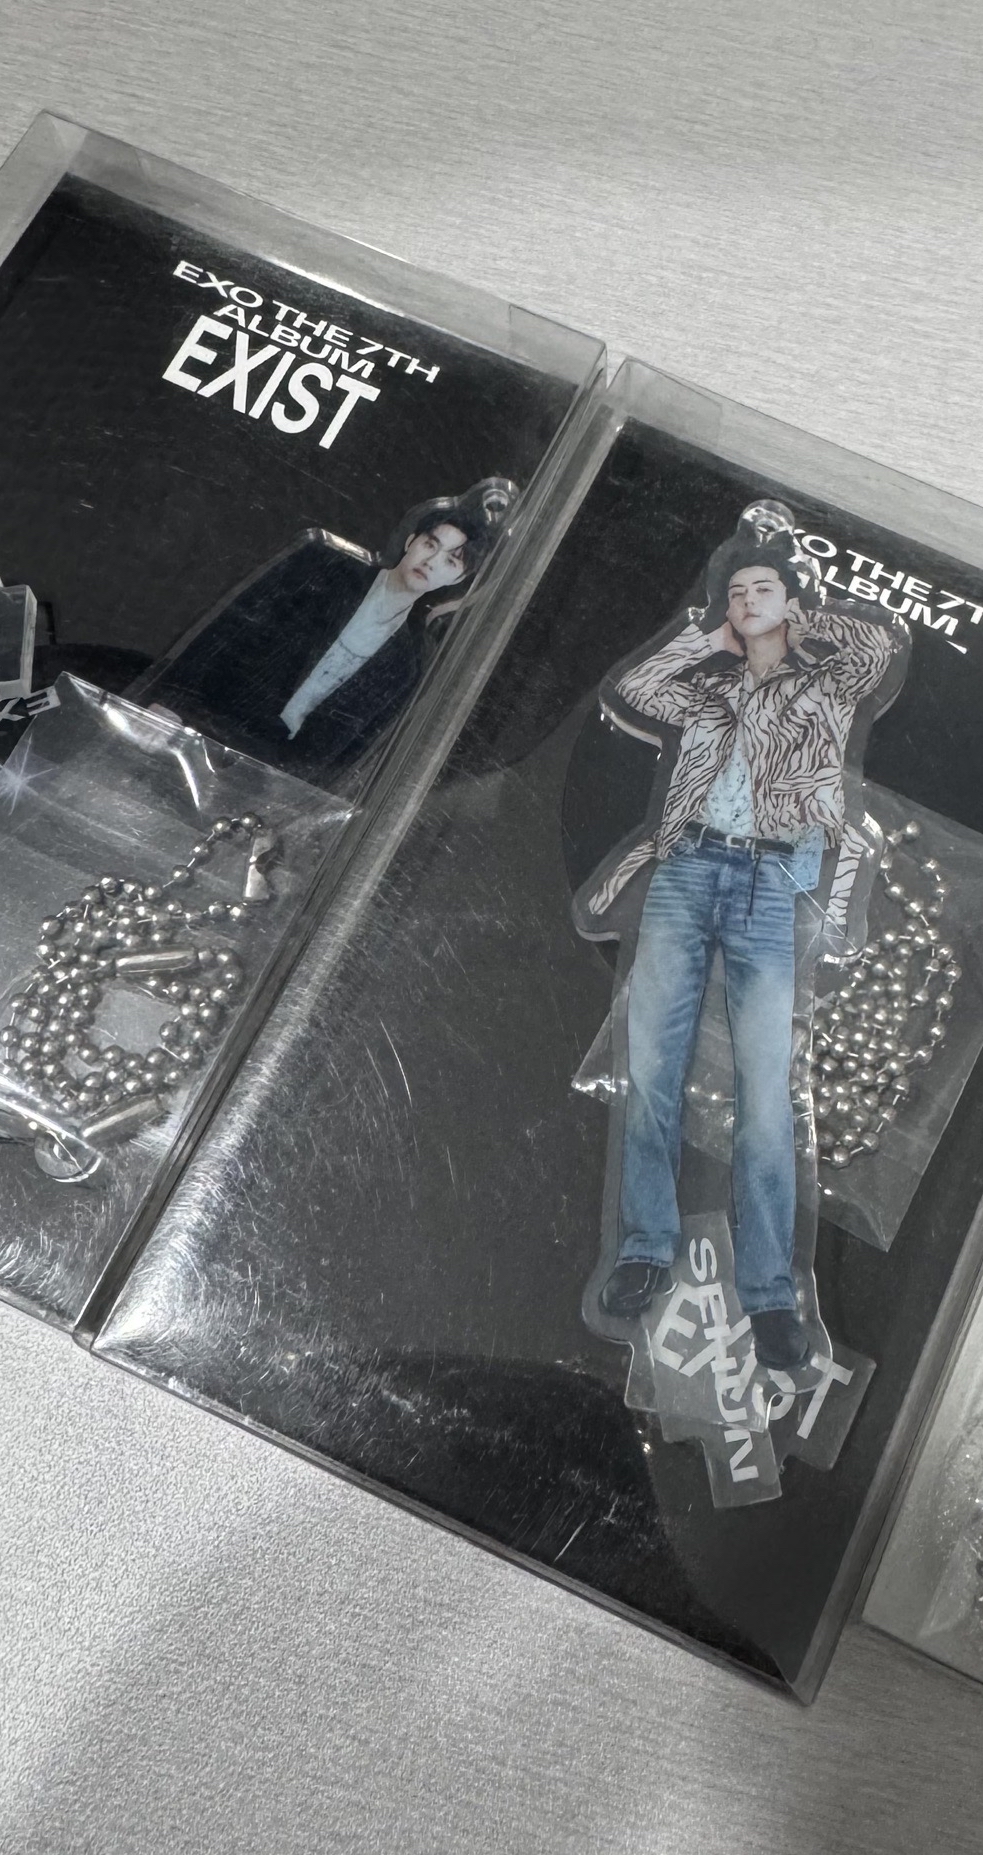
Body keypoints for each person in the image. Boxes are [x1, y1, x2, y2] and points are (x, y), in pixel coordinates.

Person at [578, 503, 908, 1371]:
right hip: (687, 868)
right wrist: (710, 632)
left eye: (762, 589)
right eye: (737, 592)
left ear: (790, 601)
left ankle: (768, 1294)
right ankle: (642, 1250)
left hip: (773, 881)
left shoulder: (828, 683)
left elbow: (880, 648)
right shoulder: (709, 686)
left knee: (767, 1092)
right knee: (653, 1067)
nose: (747, 600)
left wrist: (799, 608)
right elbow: (636, 691)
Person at [135, 478, 515, 784]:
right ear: (411, 541)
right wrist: (169, 703)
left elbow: (349, 751)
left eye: (450, 561)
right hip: (197, 725)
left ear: (459, 578)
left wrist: (293, 806)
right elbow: (228, 627)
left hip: (266, 777)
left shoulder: (411, 660)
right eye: (431, 544)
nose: (431, 561)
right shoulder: (324, 568)